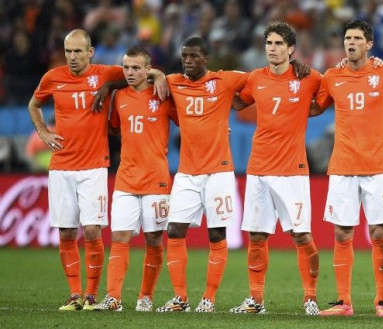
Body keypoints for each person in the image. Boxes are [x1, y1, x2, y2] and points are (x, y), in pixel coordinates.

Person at [28, 29, 164, 311]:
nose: (73, 57)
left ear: (91, 52)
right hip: (61, 165)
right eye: (69, 51)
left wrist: (158, 76)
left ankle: (91, 295)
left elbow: (139, 71)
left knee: (91, 231)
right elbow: (34, 104)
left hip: (94, 167)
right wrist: (43, 132)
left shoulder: (106, 72)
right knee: (66, 233)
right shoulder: (52, 77)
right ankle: (74, 295)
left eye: (79, 51)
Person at [311, 20, 383, 317]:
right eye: (347, 38)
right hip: (343, 165)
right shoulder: (332, 76)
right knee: (342, 232)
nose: (351, 43)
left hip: (377, 165)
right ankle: (343, 302)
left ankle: (382, 301)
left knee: (379, 231)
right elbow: (313, 108)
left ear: (369, 44)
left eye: (357, 38)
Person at [229, 21, 322, 316]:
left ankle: (310, 298)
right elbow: (235, 103)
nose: (273, 48)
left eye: (279, 44)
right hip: (258, 168)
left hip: (292, 170)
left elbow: (327, 97)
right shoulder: (255, 78)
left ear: (291, 49)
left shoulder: (309, 78)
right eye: (269, 43)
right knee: (257, 235)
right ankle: (256, 300)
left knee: (301, 236)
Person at [155, 36, 248, 313]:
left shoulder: (224, 81)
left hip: (218, 171)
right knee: (174, 230)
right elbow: (140, 73)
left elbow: (260, 78)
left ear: (206, 59)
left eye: (194, 56)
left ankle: (208, 298)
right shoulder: (173, 82)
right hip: (186, 172)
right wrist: (156, 73)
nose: (188, 61)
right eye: (184, 56)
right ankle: (180, 298)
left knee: (217, 233)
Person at [92, 47, 178, 312]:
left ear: (148, 68)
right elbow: (114, 129)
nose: (130, 73)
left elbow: (188, 122)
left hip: (157, 180)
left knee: (153, 240)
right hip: (126, 179)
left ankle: (146, 297)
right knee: (119, 236)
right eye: (126, 67)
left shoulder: (163, 95)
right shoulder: (119, 97)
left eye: (136, 68)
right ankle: (113, 298)